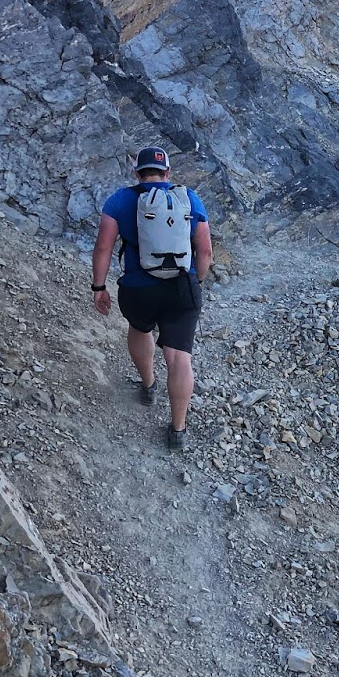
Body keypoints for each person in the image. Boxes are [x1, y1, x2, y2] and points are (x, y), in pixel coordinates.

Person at [91, 147, 212, 450]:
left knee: (140, 329)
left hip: (138, 288)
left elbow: (104, 247)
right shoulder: (188, 197)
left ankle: (148, 386)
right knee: (179, 356)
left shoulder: (120, 199)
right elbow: (205, 251)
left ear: (137, 174)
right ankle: (178, 430)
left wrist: (99, 287)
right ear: (168, 173)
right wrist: (194, 283)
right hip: (180, 288)